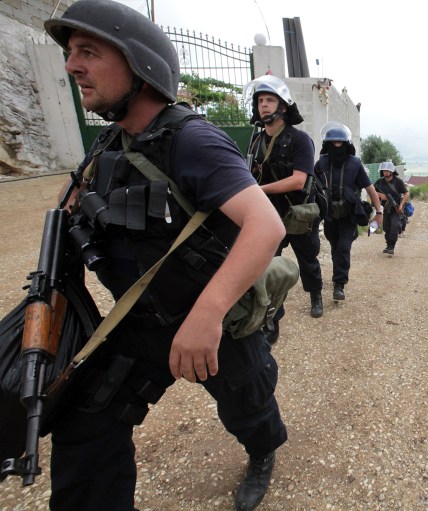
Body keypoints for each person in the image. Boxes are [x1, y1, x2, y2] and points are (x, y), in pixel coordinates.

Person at [43, 1, 287, 510]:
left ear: (139, 64)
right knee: (86, 420)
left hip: (212, 321)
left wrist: (208, 314)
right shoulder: (108, 143)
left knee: (248, 408)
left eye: (88, 51)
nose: (72, 66)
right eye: (71, 53)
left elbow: (266, 226)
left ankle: (262, 451)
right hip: (140, 319)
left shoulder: (193, 140)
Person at [246, 75, 324, 319]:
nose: (264, 105)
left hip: (297, 213)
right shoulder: (256, 140)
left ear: (283, 106)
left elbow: (299, 180)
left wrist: (260, 190)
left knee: (307, 260)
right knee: (266, 264)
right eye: (260, 101)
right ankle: (271, 312)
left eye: (270, 100)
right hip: (268, 214)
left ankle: (316, 295)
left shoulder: (300, 140)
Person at [314, 122, 383, 301]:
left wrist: (379, 212)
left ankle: (339, 284)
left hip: (349, 214)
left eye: (340, 142)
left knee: (343, 248)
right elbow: (311, 186)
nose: (337, 146)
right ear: (327, 144)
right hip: (329, 214)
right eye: (333, 142)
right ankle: (338, 273)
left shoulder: (355, 164)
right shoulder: (321, 163)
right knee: (335, 247)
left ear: (346, 144)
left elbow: (369, 188)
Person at [374, 161, 410, 255]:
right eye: (384, 171)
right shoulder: (379, 182)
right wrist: (381, 195)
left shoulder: (398, 181)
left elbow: (406, 194)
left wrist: (401, 205)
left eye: (387, 171)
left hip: (396, 209)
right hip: (385, 208)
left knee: (394, 226)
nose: (385, 172)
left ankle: (391, 246)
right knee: (386, 227)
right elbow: (372, 191)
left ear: (392, 171)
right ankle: (388, 244)